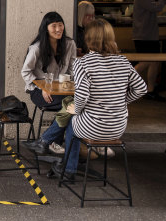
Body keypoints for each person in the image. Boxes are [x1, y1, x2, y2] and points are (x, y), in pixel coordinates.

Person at [25, 19, 147, 180]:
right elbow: (142, 88)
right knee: (72, 113)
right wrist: (121, 101)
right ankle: (53, 151)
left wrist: (77, 109)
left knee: (72, 118)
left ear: (88, 39)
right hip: (118, 127)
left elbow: (81, 95)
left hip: (93, 126)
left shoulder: (84, 63)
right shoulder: (123, 61)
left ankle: (66, 166)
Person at [22, 11, 77, 111]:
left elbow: (72, 69)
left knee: (78, 101)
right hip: (39, 90)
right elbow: (25, 71)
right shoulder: (37, 48)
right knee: (73, 104)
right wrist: (43, 87)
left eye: (60, 25)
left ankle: (54, 127)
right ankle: (56, 127)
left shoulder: (70, 44)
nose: (58, 29)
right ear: (46, 28)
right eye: (54, 26)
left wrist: (71, 86)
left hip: (62, 89)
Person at [133, 0, 166, 102]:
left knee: (154, 61)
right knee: (146, 61)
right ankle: (122, 83)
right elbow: (157, 8)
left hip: (150, 34)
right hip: (143, 35)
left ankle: (150, 90)